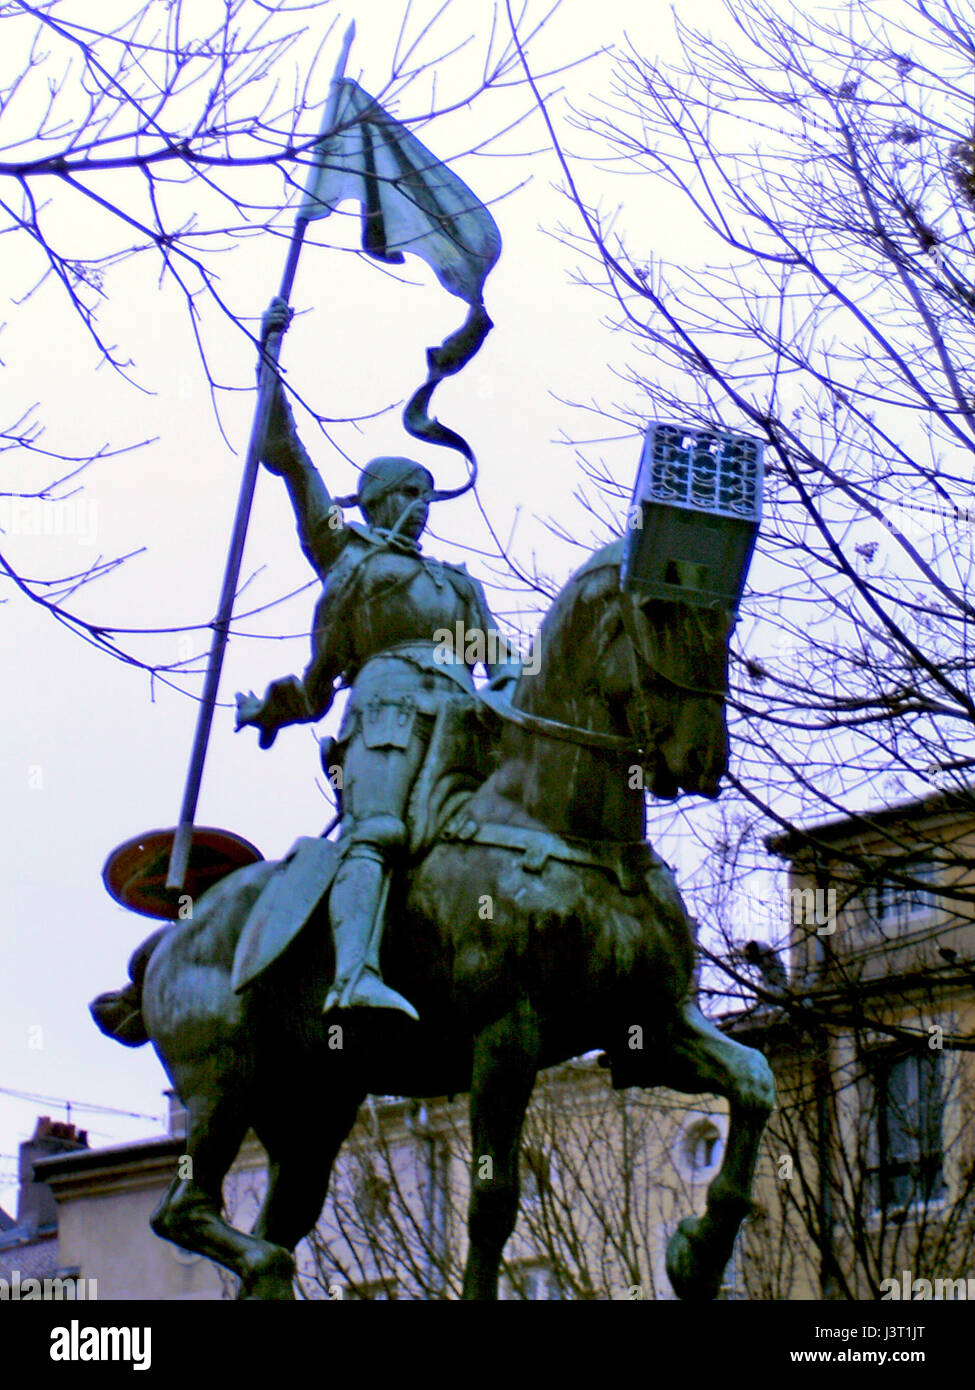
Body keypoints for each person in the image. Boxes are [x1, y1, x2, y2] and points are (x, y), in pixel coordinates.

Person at [235, 300, 519, 1019]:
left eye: (425, 495)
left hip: (466, 721)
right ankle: (351, 976)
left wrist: (517, 691)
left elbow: (504, 662)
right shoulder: (347, 557)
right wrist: (268, 358)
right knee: (380, 832)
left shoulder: (455, 583)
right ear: (373, 501)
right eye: (405, 494)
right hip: (387, 714)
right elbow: (287, 457)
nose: (419, 507)